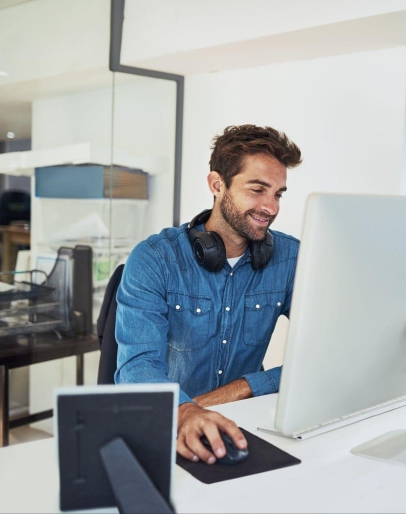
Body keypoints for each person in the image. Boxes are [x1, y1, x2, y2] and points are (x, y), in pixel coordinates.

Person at [114, 124, 302, 464]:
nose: (271, 207)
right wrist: (186, 410)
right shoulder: (155, 258)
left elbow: (320, 358)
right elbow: (137, 366)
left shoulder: (292, 258)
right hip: (168, 427)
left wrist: (241, 389)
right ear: (217, 185)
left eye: (278, 194)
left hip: (247, 425)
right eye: (258, 190)